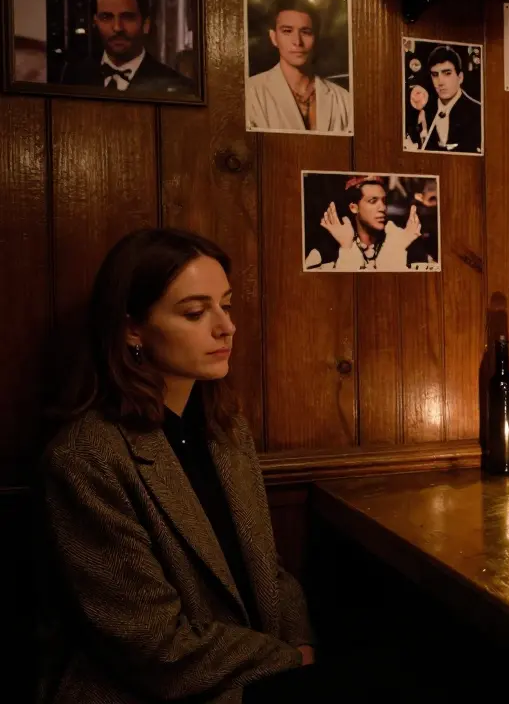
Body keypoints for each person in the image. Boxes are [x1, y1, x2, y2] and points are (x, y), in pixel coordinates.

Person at [40, 230, 317, 702]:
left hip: (251, 674)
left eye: (225, 306)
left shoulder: (226, 431)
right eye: (195, 312)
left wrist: (301, 642)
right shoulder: (87, 457)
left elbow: (267, 568)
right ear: (132, 329)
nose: (225, 326)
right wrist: (286, 660)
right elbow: (150, 643)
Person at [246, 0, 353, 134]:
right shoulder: (251, 92)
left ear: (316, 37)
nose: (297, 41)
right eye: (287, 31)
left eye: (306, 32)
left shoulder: (343, 99)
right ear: (274, 37)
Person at [60, 0, 194, 95]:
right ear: (95, 22)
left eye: (128, 17)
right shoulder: (74, 76)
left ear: (146, 25)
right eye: (106, 17)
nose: (117, 27)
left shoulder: (175, 85)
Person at [305, 176, 426, 271]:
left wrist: (398, 246)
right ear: (354, 208)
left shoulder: (403, 242)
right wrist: (346, 248)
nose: (382, 208)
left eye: (384, 201)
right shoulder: (326, 252)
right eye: (373, 201)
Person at [406, 45, 482, 154]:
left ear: (460, 77)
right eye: (435, 75)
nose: (440, 82)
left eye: (447, 73)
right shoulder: (424, 111)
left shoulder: (478, 112)